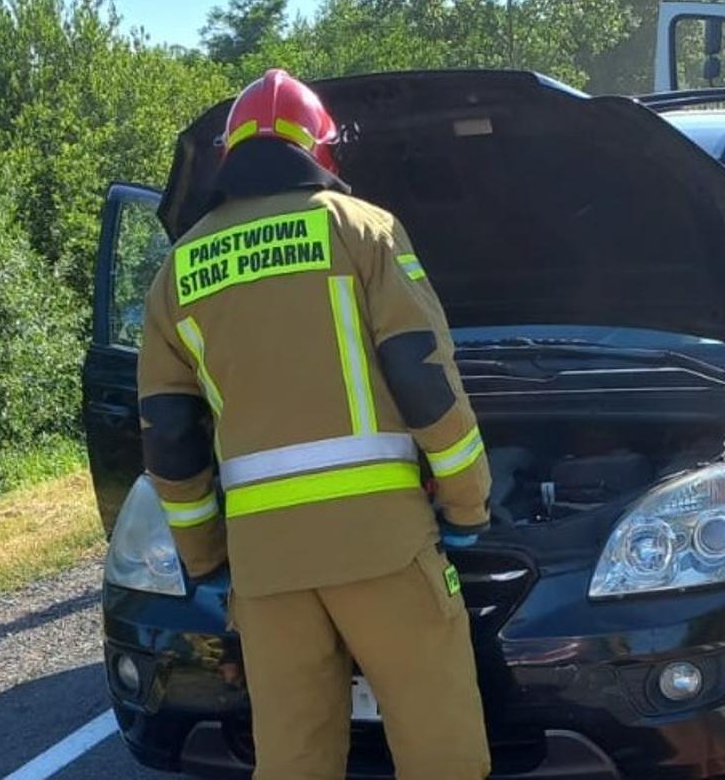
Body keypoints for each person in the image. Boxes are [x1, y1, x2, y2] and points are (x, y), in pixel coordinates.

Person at [137, 68, 492, 779]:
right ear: (323, 152)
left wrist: (205, 558)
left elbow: (170, 442)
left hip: (267, 571)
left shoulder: (178, 272)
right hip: (383, 549)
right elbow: (424, 383)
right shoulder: (363, 231)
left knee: (294, 761)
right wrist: (468, 503)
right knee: (441, 753)